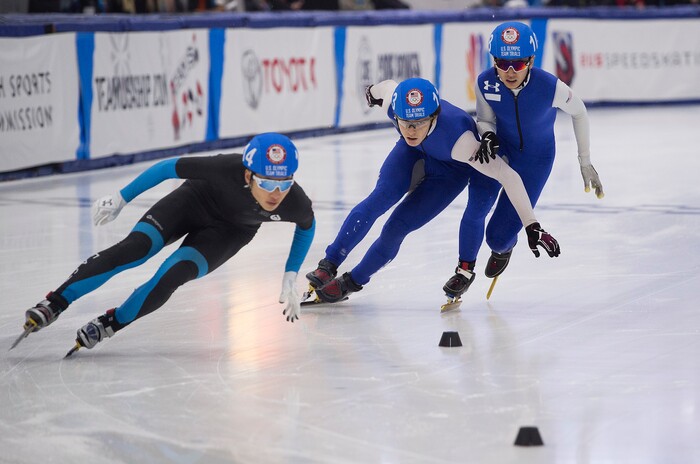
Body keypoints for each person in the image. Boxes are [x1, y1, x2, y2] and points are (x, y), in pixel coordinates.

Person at [11, 133, 315, 355]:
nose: (276, 194)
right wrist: (121, 197)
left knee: (172, 274)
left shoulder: (295, 202)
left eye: (284, 184)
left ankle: (111, 323)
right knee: (135, 249)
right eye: (266, 183)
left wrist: (290, 276)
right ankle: (55, 302)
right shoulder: (225, 168)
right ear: (248, 174)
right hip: (191, 202)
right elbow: (167, 167)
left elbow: (307, 227)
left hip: (229, 233)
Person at [305, 77, 560, 304]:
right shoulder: (395, 105)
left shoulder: (463, 143)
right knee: (379, 199)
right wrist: (371, 92)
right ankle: (329, 263)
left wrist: (532, 225)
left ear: (435, 116)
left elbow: (509, 177)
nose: (411, 130)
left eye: (419, 123)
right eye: (405, 123)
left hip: (449, 173)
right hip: (411, 155)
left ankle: (354, 281)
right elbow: (382, 88)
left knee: (396, 227)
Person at [441, 21, 603, 301]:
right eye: (503, 63)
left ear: (531, 60)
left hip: (535, 160)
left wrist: (584, 160)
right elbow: (485, 118)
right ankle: (464, 270)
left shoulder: (549, 86)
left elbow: (579, 112)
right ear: (494, 61)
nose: (510, 71)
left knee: (497, 237)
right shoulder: (485, 81)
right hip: (498, 150)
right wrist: (488, 135)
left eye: (518, 63)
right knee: (477, 206)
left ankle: (504, 247)